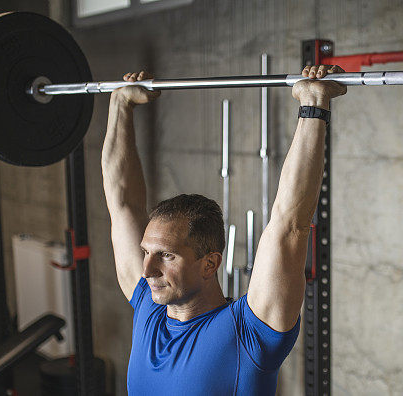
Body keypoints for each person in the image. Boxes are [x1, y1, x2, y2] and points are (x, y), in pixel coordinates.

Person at [102, 65, 346, 395]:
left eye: (166, 255)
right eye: (146, 252)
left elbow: (290, 225)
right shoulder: (150, 305)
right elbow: (122, 204)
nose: (147, 269)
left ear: (210, 263)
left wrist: (314, 105)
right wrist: (120, 105)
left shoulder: (249, 334)